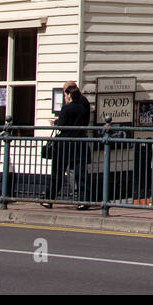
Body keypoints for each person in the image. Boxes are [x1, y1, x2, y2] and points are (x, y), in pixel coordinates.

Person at [42, 81, 92, 209]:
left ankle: (49, 198)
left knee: (57, 172)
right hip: (79, 142)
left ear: (69, 95)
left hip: (64, 144)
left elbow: (62, 125)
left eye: (65, 94)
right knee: (80, 174)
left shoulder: (66, 108)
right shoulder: (83, 106)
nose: (64, 97)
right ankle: (84, 200)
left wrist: (57, 123)